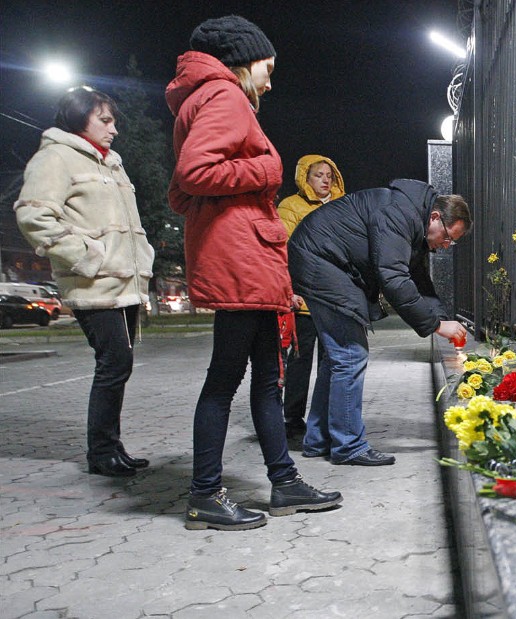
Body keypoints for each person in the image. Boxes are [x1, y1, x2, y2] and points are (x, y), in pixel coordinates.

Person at [166, 15, 341, 531]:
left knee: (267, 379)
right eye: (267, 67)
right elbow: (193, 174)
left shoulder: (207, 98)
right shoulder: (224, 96)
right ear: (243, 61)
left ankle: (284, 482)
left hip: (244, 254)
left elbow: (182, 191)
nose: (270, 79)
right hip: (239, 257)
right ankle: (204, 494)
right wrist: (265, 171)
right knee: (225, 381)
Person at [14, 86, 156, 477]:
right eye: (105, 120)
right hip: (93, 284)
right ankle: (101, 453)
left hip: (122, 284)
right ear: (80, 118)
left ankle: (112, 447)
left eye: (114, 121)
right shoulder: (56, 157)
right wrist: (87, 258)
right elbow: (34, 217)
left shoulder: (110, 163)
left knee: (119, 365)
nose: (114, 129)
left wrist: (141, 260)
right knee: (114, 363)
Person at [287, 179, 470, 466]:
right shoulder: (399, 214)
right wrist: (435, 326)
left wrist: (443, 319)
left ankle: (318, 439)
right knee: (350, 355)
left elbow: (418, 281)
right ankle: (348, 446)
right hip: (320, 260)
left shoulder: (413, 219)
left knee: (337, 358)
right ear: (435, 217)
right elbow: (394, 278)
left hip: (321, 258)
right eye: (448, 237)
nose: (446, 245)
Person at [277, 155, 346, 444]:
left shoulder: (344, 205)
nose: (325, 179)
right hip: (304, 300)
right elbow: (285, 250)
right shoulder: (290, 206)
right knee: (300, 362)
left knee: (332, 362)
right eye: (318, 175)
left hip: (334, 299)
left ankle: (328, 418)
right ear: (305, 177)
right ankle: (292, 418)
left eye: (329, 174)